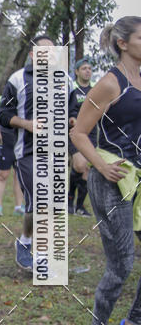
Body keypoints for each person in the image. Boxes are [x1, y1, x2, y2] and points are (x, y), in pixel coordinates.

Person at [71, 16, 141, 325]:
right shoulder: (109, 84)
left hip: (138, 180)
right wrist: (99, 165)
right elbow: (79, 133)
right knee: (121, 266)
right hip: (110, 180)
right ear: (123, 43)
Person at [0, 35, 55, 271]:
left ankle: (25, 241)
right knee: (42, 201)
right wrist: (26, 124)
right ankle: (41, 260)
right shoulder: (18, 79)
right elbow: (3, 114)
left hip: (56, 153)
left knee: (43, 203)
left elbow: (76, 109)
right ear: (33, 54)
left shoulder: (63, 80)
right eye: (44, 51)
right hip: (27, 152)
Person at [67, 57, 95, 216]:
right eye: (84, 68)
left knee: (86, 170)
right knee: (79, 165)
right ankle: (69, 201)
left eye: (90, 69)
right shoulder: (72, 90)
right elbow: (65, 111)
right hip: (75, 134)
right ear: (77, 71)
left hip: (92, 134)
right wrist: (72, 119)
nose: (87, 71)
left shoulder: (95, 90)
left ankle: (79, 206)